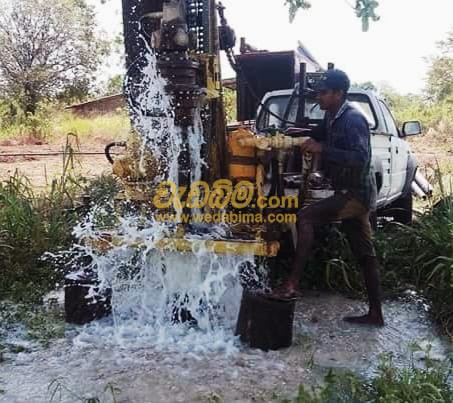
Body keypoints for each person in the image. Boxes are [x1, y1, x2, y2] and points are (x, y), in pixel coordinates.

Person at [273, 69, 384, 327]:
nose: (319, 97)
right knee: (365, 256)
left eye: (324, 93)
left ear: (338, 94)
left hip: (355, 195)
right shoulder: (334, 115)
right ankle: (376, 314)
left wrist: (322, 148)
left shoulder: (353, 119)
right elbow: (320, 132)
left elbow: (360, 158)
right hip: (350, 194)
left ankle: (291, 285)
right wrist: (297, 133)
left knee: (306, 218)